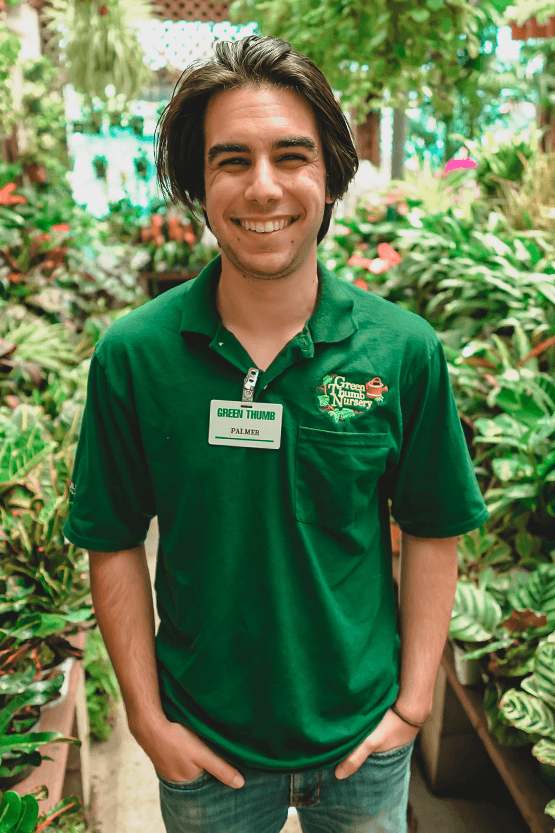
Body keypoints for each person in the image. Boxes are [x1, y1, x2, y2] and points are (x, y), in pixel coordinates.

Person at [64, 35, 489, 833]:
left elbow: (432, 525)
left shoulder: (401, 351)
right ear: (197, 181)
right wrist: (149, 723)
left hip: (363, 742)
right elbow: (112, 539)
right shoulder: (135, 356)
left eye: (291, 156)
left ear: (330, 175)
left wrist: (413, 703)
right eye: (231, 160)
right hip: (204, 745)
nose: (263, 188)